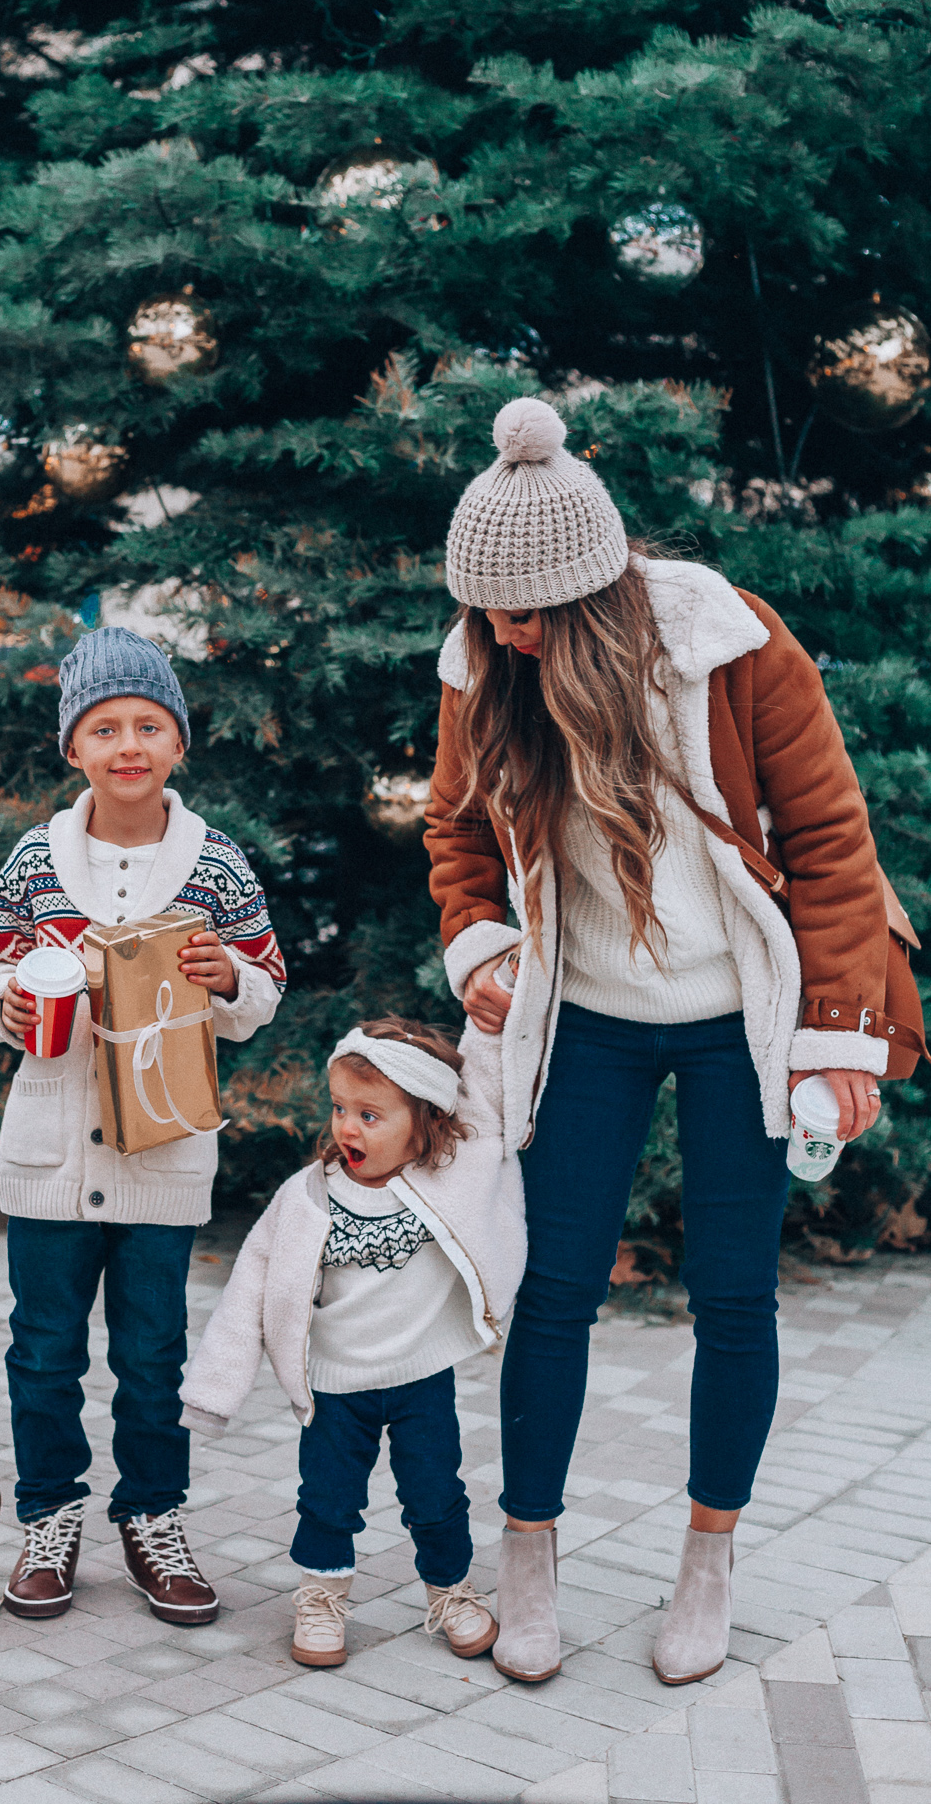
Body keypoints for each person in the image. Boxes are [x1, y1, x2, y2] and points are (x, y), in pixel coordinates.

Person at [425, 396, 894, 1687]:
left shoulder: (729, 647)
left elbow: (832, 844)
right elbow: (456, 834)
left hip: (736, 1019)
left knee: (734, 1296)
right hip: (588, 1023)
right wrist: (484, 948)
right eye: (486, 616)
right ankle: (529, 1553)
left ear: (584, 601)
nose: (502, 637)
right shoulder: (484, 668)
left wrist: (837, 1041)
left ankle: (709, 1560)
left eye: (523, 617)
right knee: (553, 1292)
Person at [0, 627, 286, 1626]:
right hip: (52, 1152)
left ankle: (153, 1513)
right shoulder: (34, 861)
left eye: (148, 724)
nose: (127, 744)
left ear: (179, 741)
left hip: (162, 1152)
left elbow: (267, 977)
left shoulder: (215, 865)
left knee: (153, 1351)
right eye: (104, 726)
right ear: (73, 746)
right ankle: (49, 1514)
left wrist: (228, 977)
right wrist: (7, 1003)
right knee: (43, 1347)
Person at [180, 1016, 526, 1670]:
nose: (346, 1127)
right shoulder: (307, 1198)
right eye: (340, 1109)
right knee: (328, 1501)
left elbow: (479, 1096)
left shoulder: (448, 1175)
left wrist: (491, 1014)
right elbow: (249, 1291)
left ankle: (450, 1592)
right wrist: (213, 1394)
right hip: (335, 1389)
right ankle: (320, 1598)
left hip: (422, 1381)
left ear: (424, 1122)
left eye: (370, 1115)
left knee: (436, 1495)